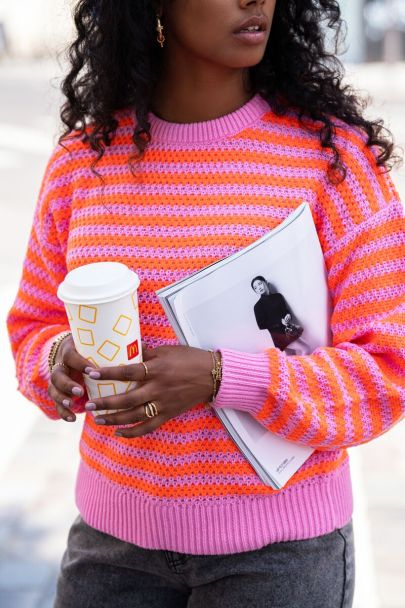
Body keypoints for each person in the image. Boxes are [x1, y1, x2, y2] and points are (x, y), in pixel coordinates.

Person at [6, 1, 405, 606]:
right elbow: (35, 324)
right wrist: (60, 360)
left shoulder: (334, 161)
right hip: (110, 549)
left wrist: (222, 377)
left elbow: (387, 371)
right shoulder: (81, 163)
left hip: (281, 558)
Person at [251, 275, 305, 352]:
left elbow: (285, 311)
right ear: (255, 291)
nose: (259, 287)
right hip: (279, 336)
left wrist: (288, 316)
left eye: (260, 284)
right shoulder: (257, 306)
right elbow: (261, 325)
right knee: (305, 349)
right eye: (255, 287)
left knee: (291, 357)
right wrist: (279, 321)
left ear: (266, 282)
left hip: (290, 331)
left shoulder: (278, 296)